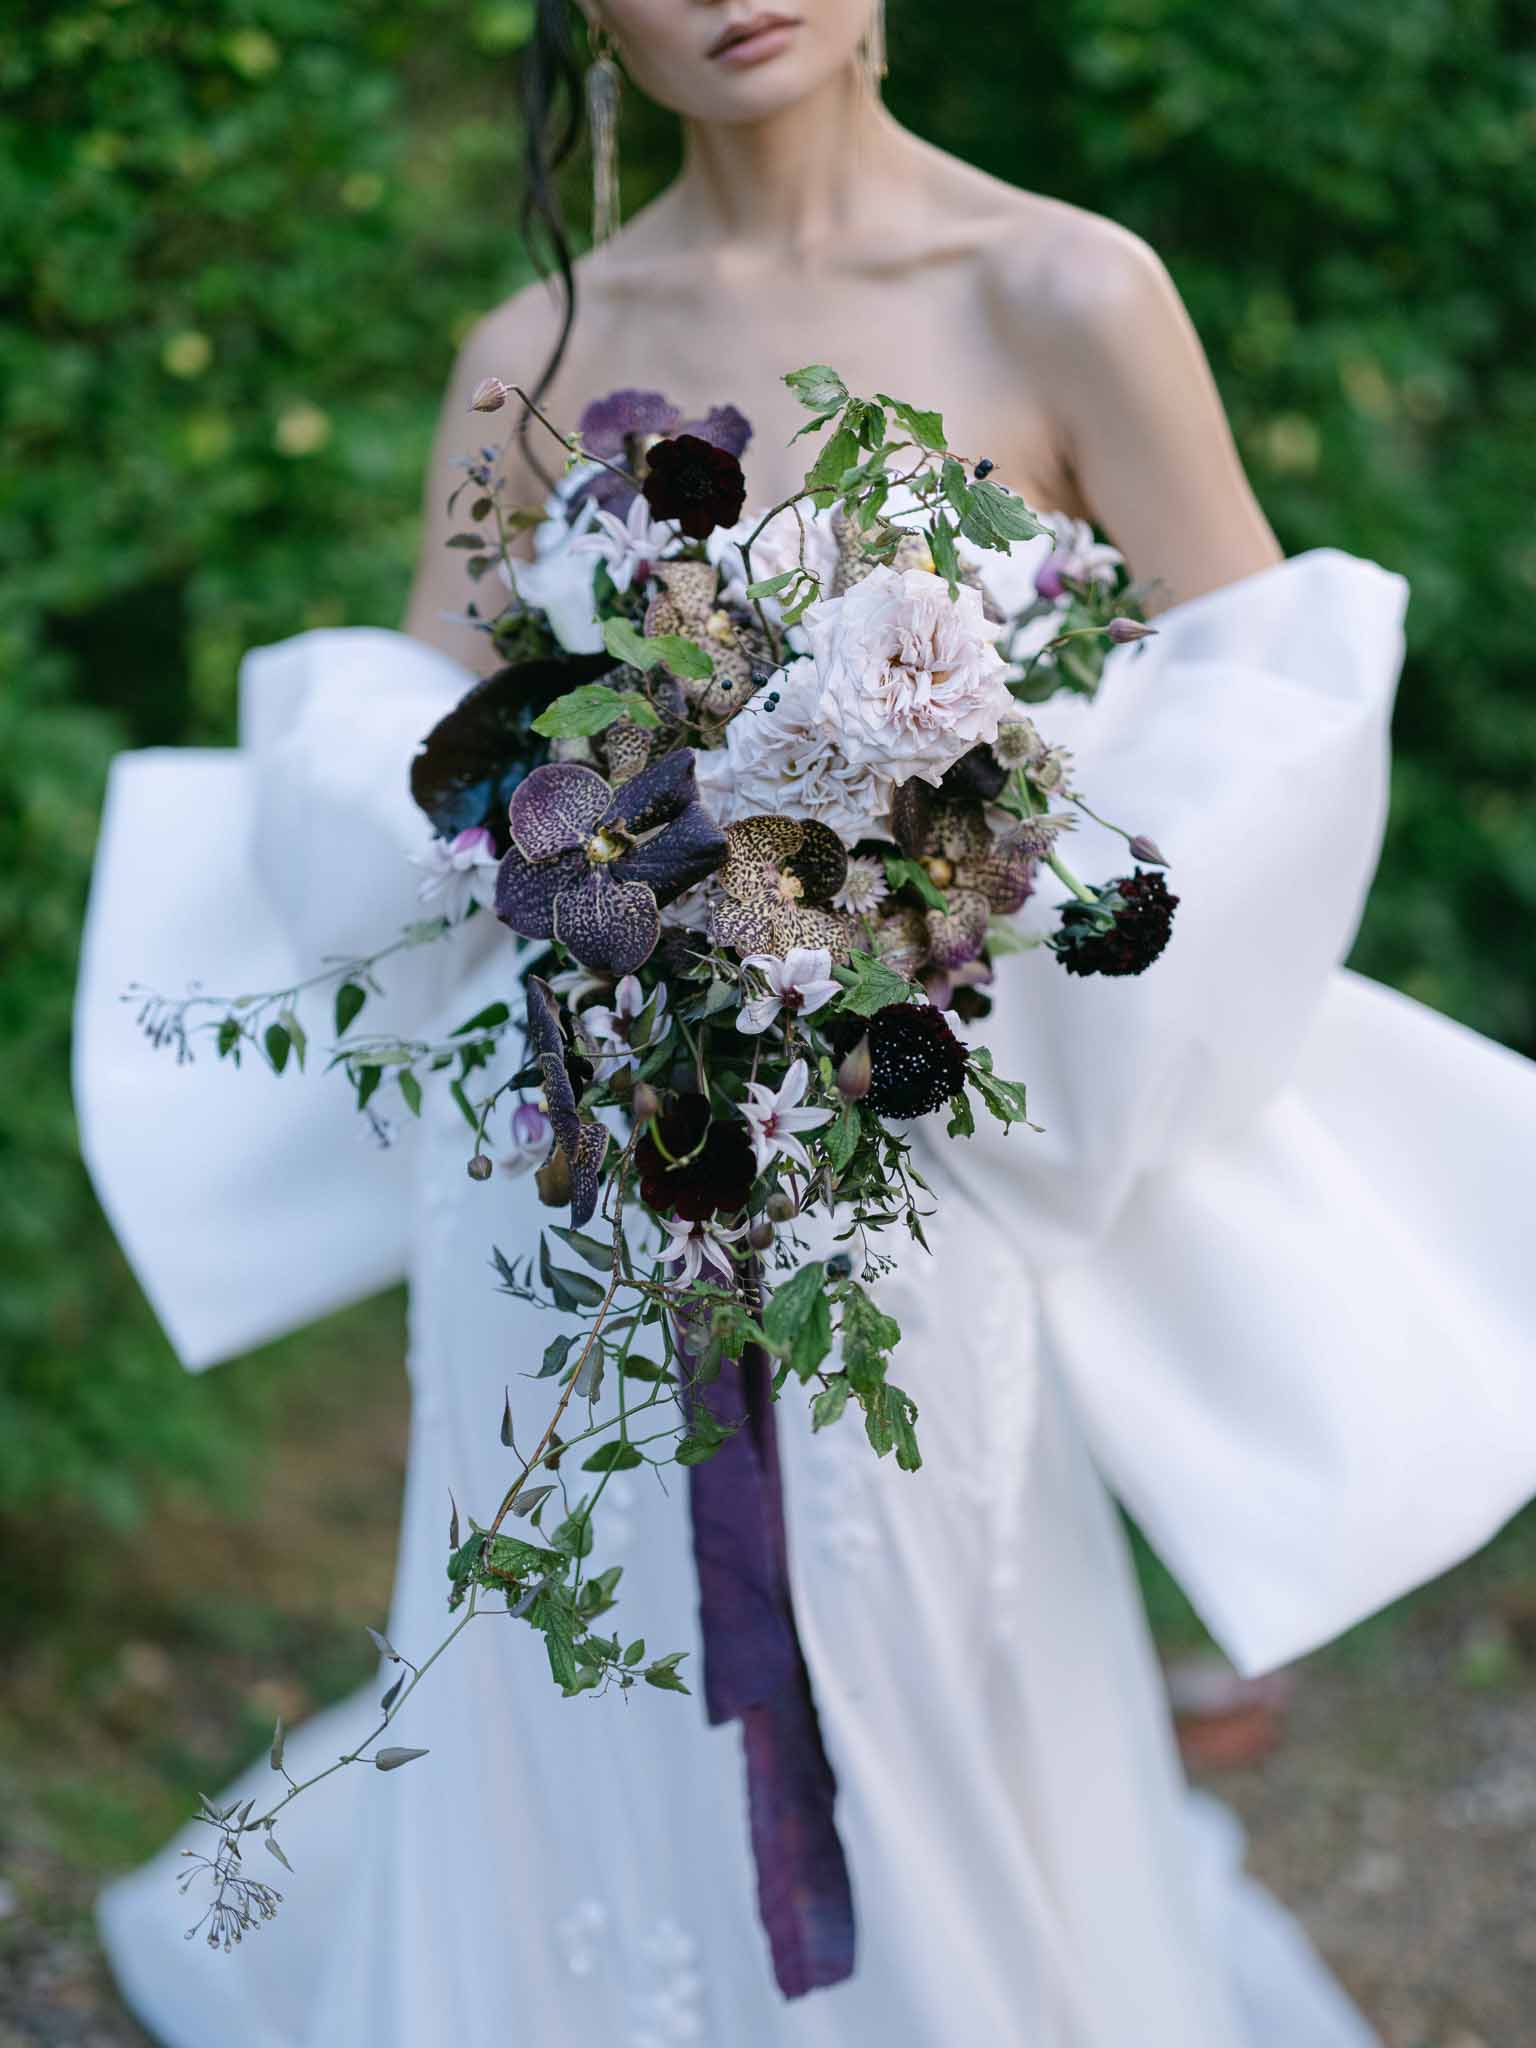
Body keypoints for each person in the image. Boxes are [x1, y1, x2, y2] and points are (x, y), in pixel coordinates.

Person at [74, 4, 1536, 2044]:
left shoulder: (1064, 287)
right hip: (565, 1163)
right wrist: (556, 826)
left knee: (916, 1651)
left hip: (891, 1169)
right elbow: (409, 745)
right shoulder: (535, 346)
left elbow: (1263, 718)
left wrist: (965, 887)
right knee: (565, 1682)